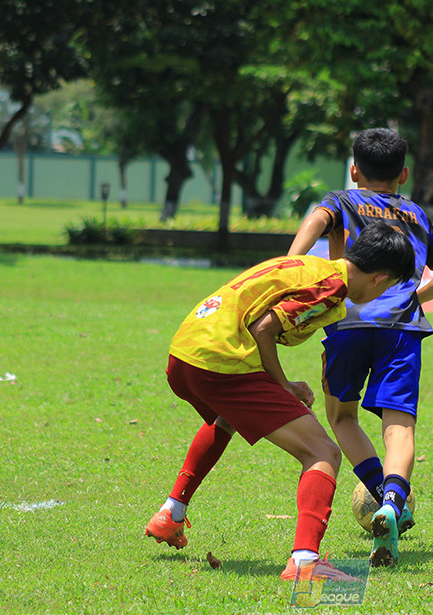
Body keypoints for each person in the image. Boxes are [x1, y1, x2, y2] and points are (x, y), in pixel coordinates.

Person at [144, 222, 416, 582]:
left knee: (227, 417)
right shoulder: (331, 287)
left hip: (186, 353)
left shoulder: (311, 266)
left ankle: (171, 513)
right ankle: (304, 562)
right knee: (323, 452)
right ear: (379, 279)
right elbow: (264, 329)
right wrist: (283, 385)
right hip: (220, 359)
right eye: (390, 286)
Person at [288, 127, 433, 568]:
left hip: (346, 325)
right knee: (399, 428)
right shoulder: (418, 215)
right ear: (403, 173)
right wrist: (410, 300)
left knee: (341, 417)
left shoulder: (341, 201)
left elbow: (315, 221)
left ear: (353, 170)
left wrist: (292, 264)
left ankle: (384, 498)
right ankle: (392, 499)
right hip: (402, 331)